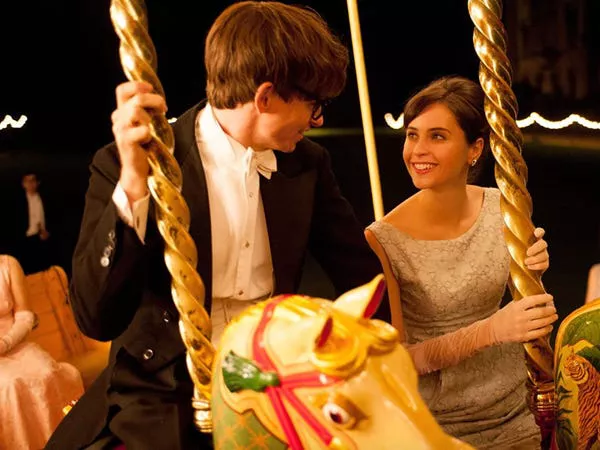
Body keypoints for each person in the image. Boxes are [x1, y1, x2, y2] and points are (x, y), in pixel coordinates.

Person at [46, 2, 390, 449]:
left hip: (269, 381)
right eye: (315, 104)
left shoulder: (307, 166)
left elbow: (359, 272)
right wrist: (134, 185)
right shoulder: (131, 164)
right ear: (265, 97)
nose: (317, 120)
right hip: (163, 389)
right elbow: (96, 316)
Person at [365, 76, 557, 449]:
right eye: (412, 135)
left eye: (437, 136)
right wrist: (491, 330)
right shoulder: (382, 239)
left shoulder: (504, 208)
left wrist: (533, 270)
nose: (417, 150)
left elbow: (527, 309)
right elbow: (395, 361)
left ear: (475, 149)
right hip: (435, 421)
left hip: (515, 407)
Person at [0, 254, 83, 449]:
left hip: (15, 344)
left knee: (47, 372)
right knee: (12, 385)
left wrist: (5, 343)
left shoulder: (8, 264)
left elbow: (25, 316)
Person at [14, 173, 53, 274]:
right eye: (27, 181)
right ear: (23, 184)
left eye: (33, 181)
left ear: (37, 183)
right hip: (26, 240)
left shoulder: (45, 199)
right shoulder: (18, 201)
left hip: (42, 239)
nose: (30, 184)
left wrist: (48, 232)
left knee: (44, 271)